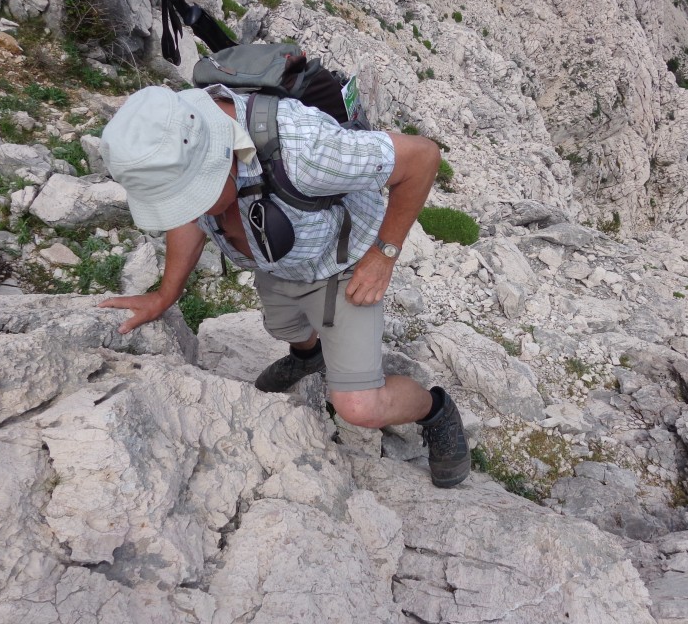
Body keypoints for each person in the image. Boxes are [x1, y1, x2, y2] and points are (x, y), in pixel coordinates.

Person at [96, 84, 470, 488]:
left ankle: (436, 410)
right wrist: (166, 295)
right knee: (285, 329)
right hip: (275, 260)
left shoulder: (306, 149)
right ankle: (309, 356)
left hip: (340, 268)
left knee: (360, 407)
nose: (191, 210)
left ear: (222, 157)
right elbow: (190, 219)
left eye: (194, 196)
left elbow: (423, 157)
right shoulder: (173, 132)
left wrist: (383, 254)